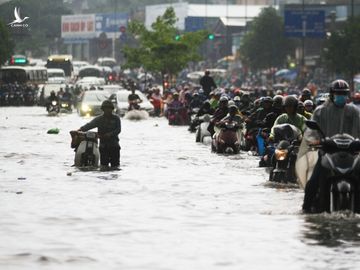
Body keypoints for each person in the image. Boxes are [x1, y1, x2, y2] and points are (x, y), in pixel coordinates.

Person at [302, 79, 360, 212]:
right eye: (338, 94)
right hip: (327, 153)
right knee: (313, 183)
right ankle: (305, 210)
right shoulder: (321, 111)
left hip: (352, 154)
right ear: (332, 94)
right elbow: (311, 132)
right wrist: (315, 141)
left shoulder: (354, 111)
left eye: (344, 94)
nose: (341, 97)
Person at [78, 100, 121, 169]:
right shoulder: (99, 119)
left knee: (115, 166)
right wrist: (80, 130)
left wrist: (109, 134)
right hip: (103, 146)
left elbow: (118, 130)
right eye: (106, 108)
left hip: (114, 146)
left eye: (109, 108)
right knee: (104, 166)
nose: (108, 110)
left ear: (112, 109)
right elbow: (89, 125)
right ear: (103, 109)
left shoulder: (116, 119)